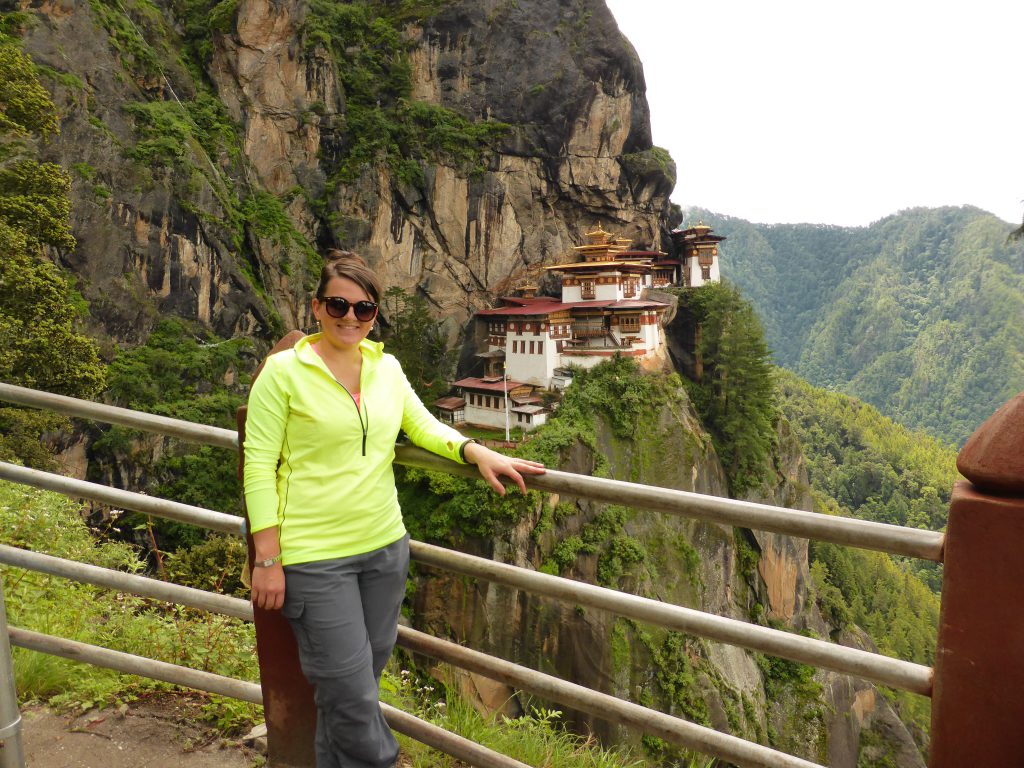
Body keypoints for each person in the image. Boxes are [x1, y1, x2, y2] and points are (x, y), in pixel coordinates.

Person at [243, 250, 545, 768]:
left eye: (364, 309)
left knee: (353, 687)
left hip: (384, 549)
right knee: (352, 696)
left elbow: (423, 426)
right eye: (338, 304)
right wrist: (267, 559)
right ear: (316, 307)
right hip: (314, 558)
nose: (350, 317)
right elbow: (258, 465)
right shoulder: (284, 373)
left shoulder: (386, 369)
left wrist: (475, 451)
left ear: (375, 316)